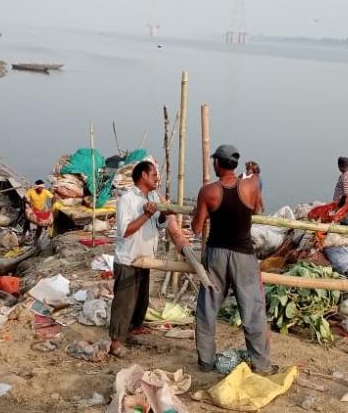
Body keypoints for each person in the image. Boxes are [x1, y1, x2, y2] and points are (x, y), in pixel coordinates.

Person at [192, 144, 273, 374]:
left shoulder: (208, 191)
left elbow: (197, 228)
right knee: (253, 312)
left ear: (218, 163)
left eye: (214, 160)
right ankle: (262, 365)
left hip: (216, 255)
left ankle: (206, 362)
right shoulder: (252, 184)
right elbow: (258, 210)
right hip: (244, 256)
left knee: (207, 309)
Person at [109, 161, 191, 357]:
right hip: (129, 259)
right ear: (144, 176)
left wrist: (163, 215)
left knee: (140, 301)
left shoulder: (153, 196)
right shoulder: (127, 199)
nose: (157, 178)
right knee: (124, 303)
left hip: (145, 259)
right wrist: (146, 214)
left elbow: (159, 226)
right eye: (154, 174)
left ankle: (130, 332)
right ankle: (115, 343)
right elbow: (125, 231)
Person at [23, 179, 54, 244]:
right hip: (33, 210)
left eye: (43, 187)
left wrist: (52, 206)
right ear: (37, 187)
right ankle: (23, 236)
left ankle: (36, 240)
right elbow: (24, 198)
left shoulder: (45, 191)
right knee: (27, 221)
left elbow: (53, 197)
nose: (42, 189)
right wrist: (28, 202)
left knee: (40, 225)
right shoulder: (31, 191)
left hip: (41, 210)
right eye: (41, 188)